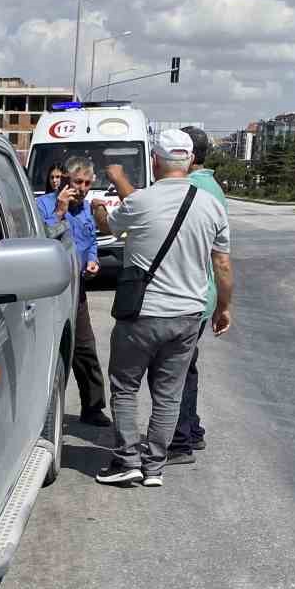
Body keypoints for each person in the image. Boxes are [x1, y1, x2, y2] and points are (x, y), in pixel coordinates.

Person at [95, 129, 232, 488]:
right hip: (187, 316)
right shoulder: (211, 205)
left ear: (155, 161)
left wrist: (98, 210)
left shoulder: (140, 201)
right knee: (169, 393)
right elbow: (223, 266)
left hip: (142, 314)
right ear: (189, 161)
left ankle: (127, 460)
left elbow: (110, 228)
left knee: (125, 386)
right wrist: (223, 308)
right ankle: (154, 466)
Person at [35, 155, 111, 427]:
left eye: (88, 183)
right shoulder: (43, 205)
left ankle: (93, 407)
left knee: (85, 348)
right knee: (46, 350)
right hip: (47, 291)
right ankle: (40, 412)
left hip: (76, 290)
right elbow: (41, 240)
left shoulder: (87, 209)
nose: (83, 187)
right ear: (66, 179)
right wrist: (59, 212)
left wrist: (93, 260)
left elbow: (91, 241)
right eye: (78, 181)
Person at [168, 125, 227, 465]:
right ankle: (192, 429)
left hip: (190, 293)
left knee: (177, 369)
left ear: (188, 155)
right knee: (187, 366)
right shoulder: (212, 186)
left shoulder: (190, 188)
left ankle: (181, 440)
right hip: (204, 293)